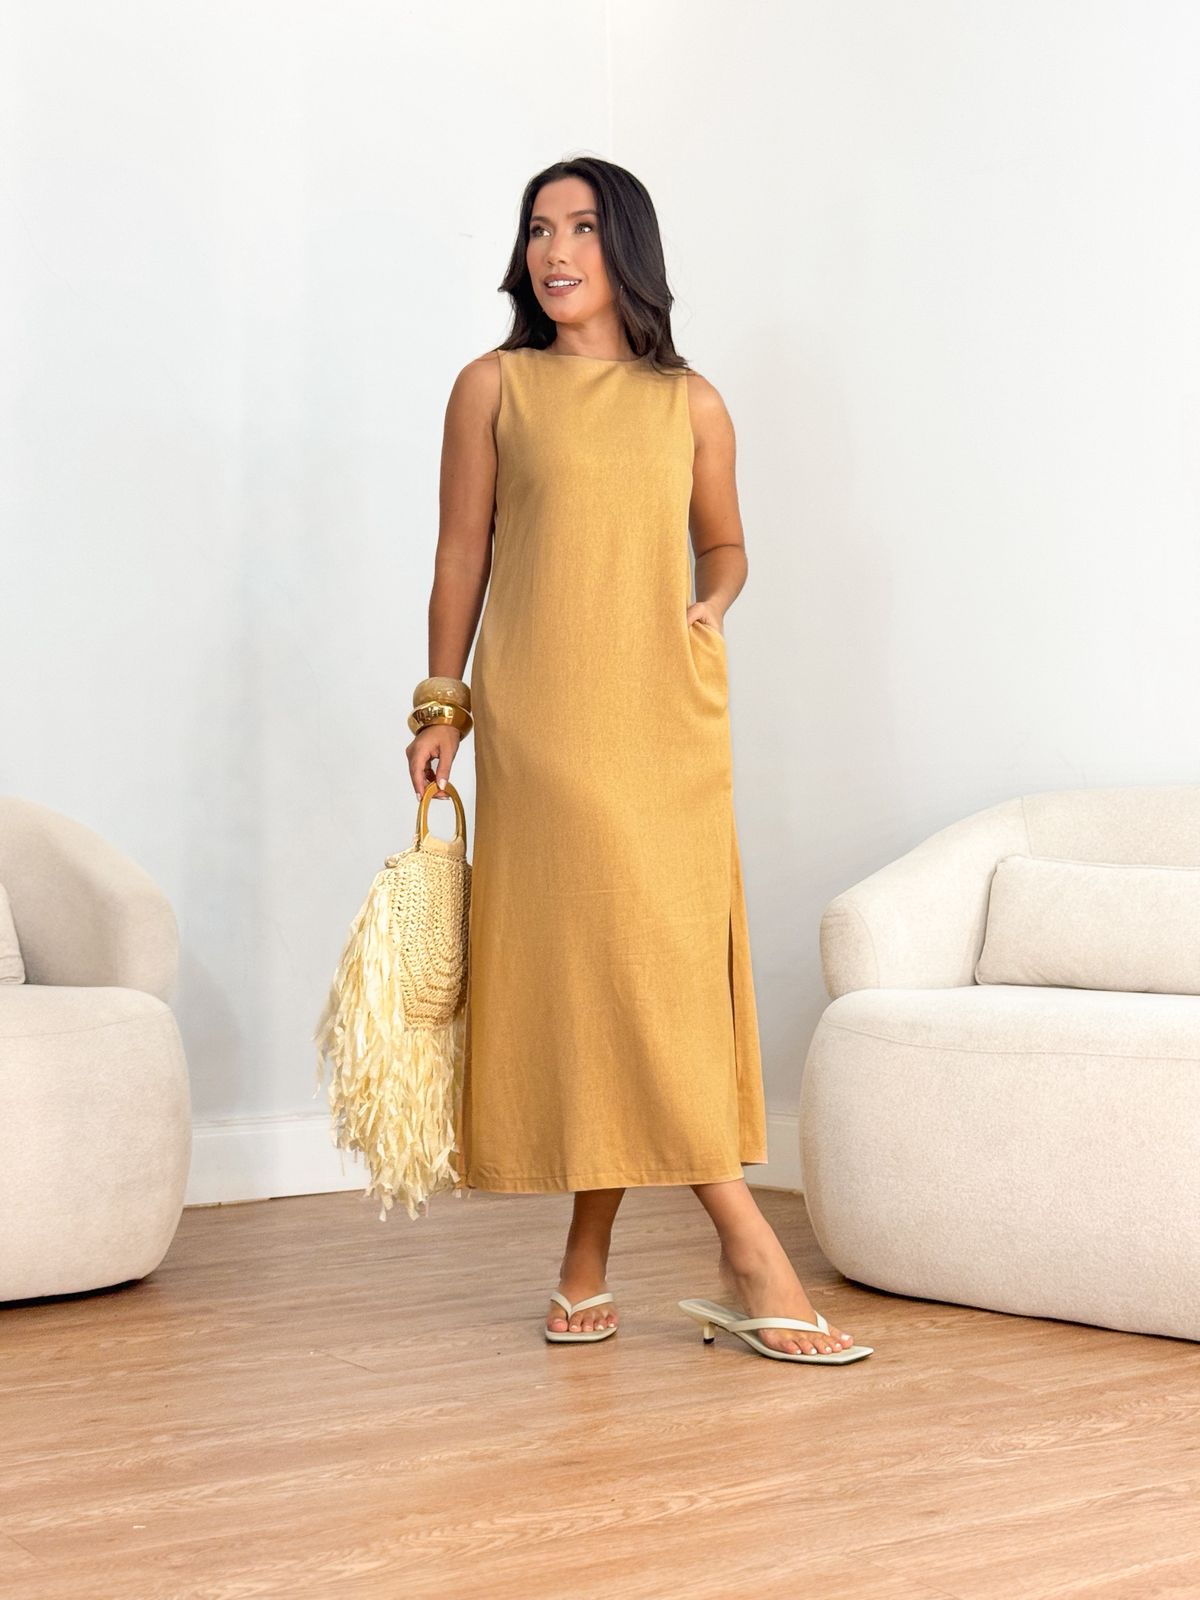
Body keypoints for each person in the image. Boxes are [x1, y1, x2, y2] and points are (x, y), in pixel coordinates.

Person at [405, 156, 857, 1360]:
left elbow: (727, 543)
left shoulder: (692, 403)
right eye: (538, 230)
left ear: (627, 249)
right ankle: (748, 1246)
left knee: (645, 967)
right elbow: (460, 554)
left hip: (667, 711)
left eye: (582, 229)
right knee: (607, 964)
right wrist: (439, 705)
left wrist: (714, 599)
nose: (555, 252)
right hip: (546, 715)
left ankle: (585, 1260)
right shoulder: (493, 386)